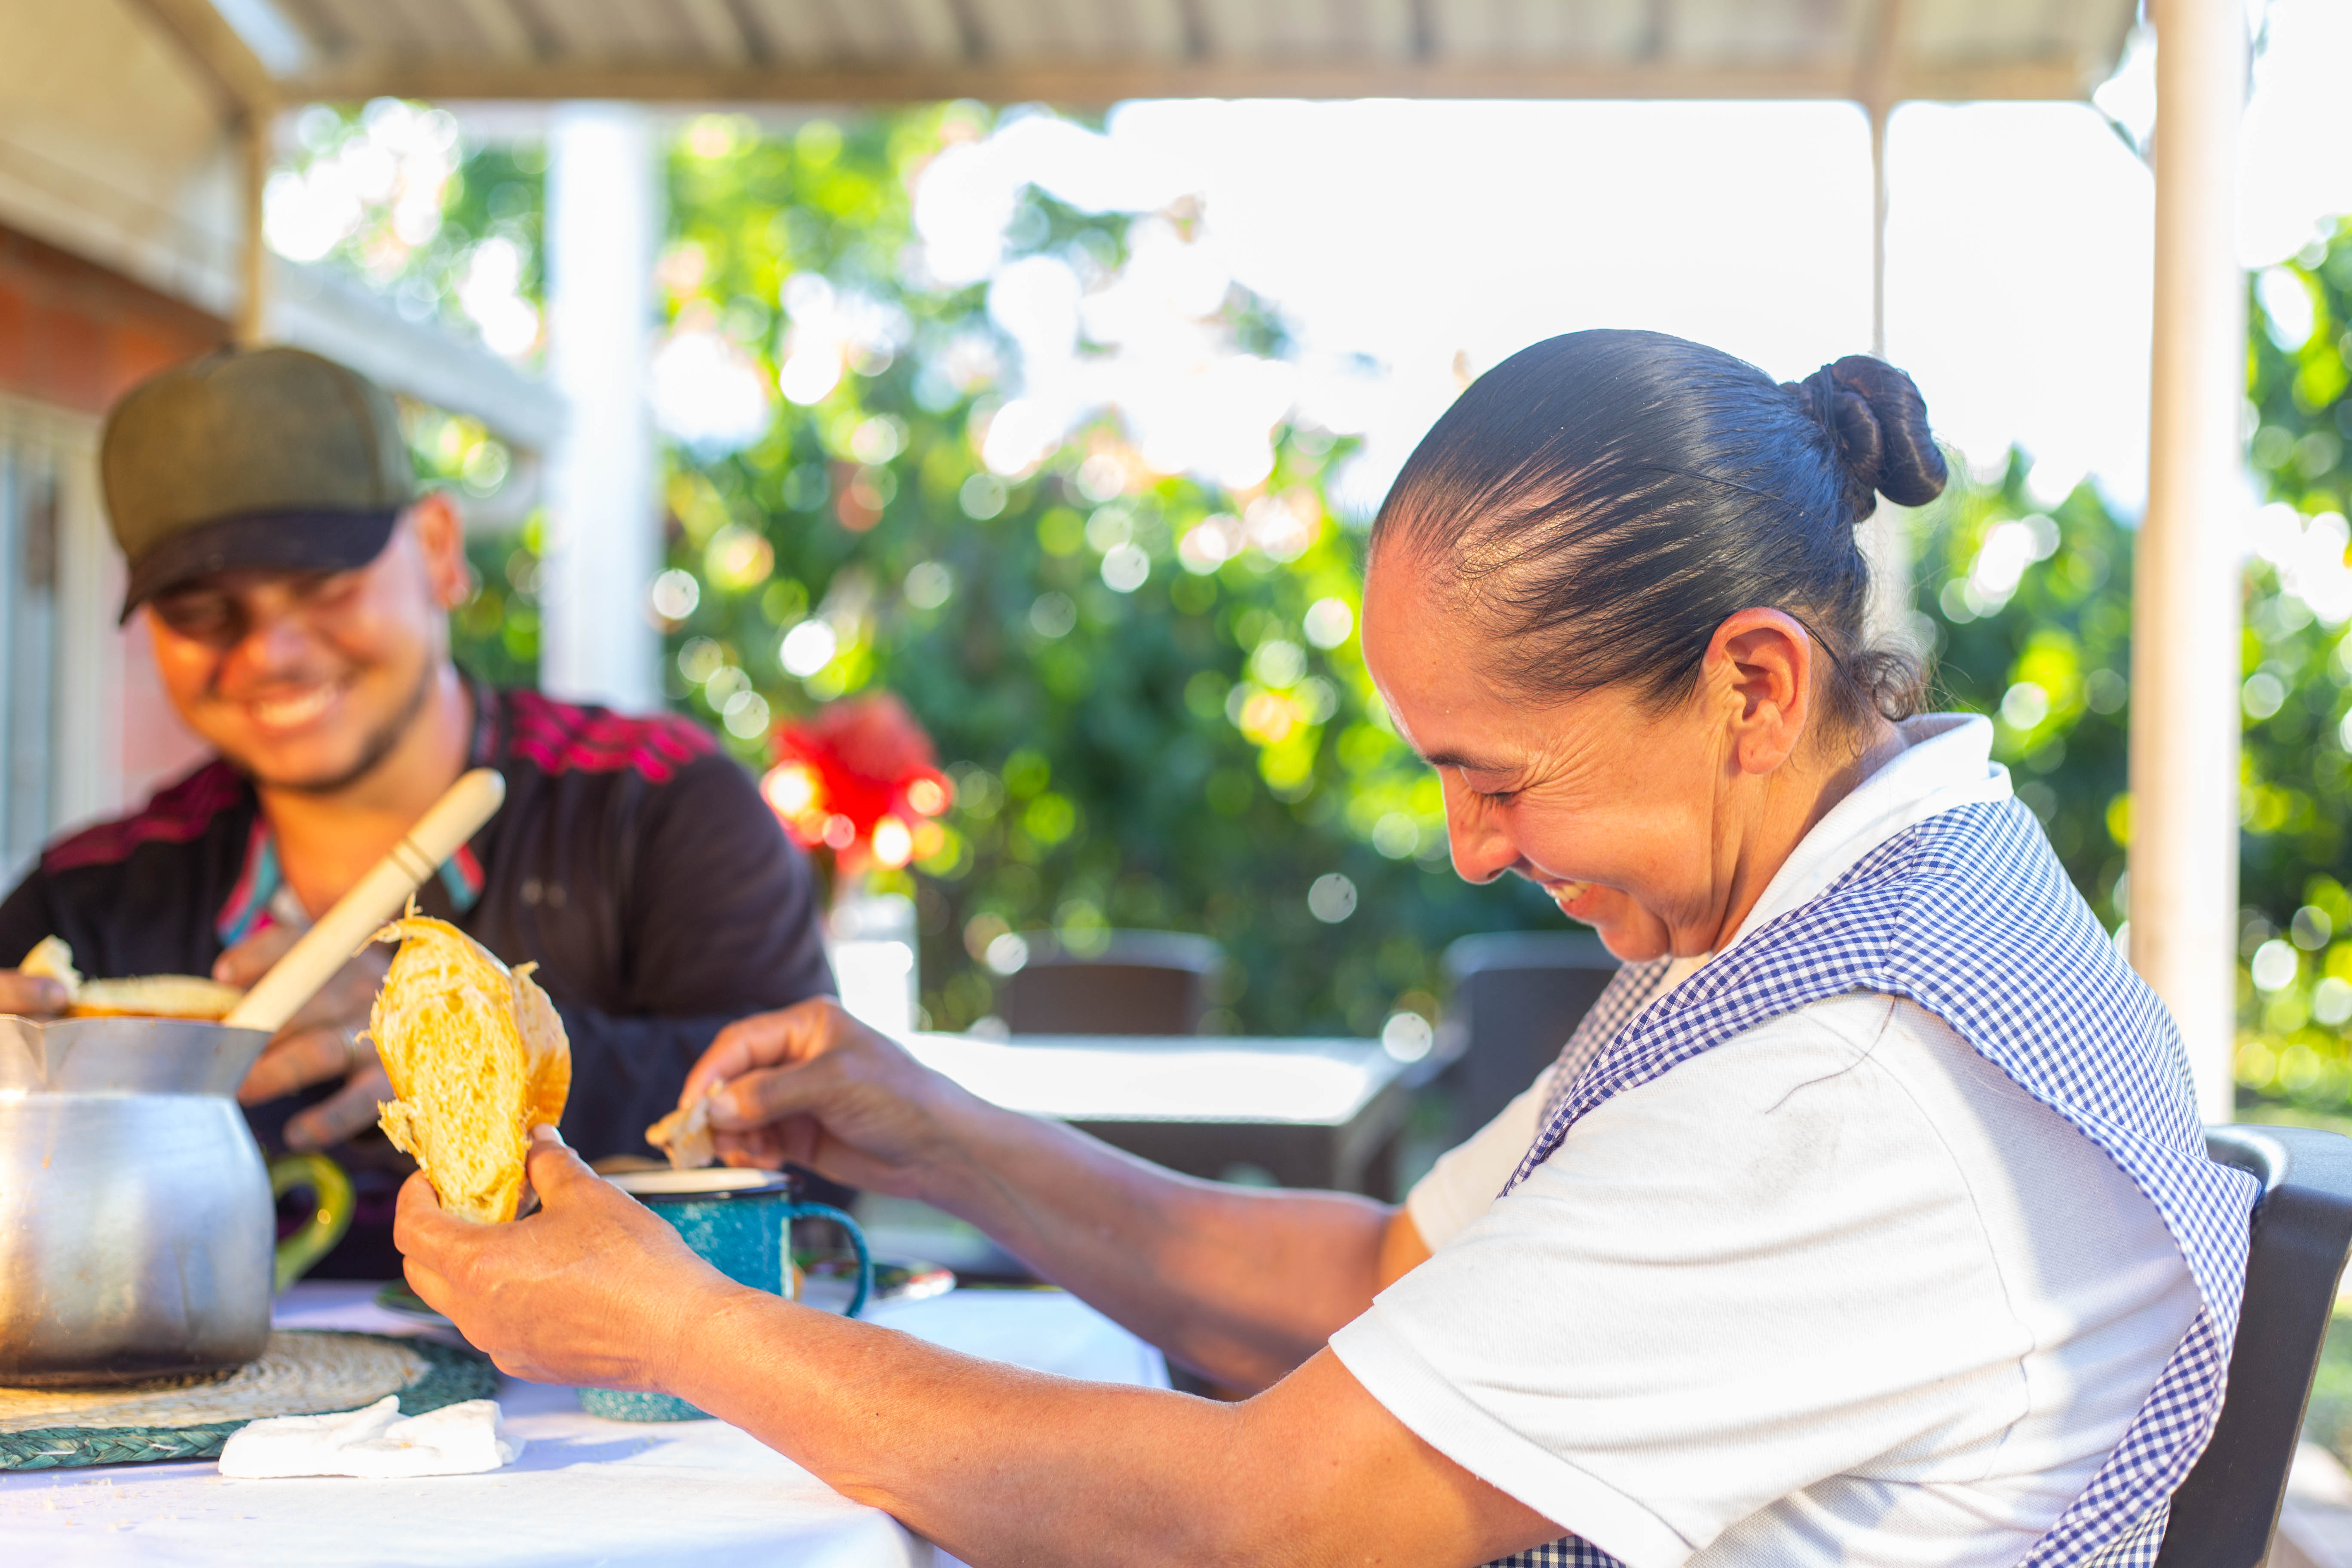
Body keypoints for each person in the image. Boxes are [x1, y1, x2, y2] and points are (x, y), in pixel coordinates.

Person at [396, 331, 2254, 1568]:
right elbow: (1380, 1270)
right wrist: (927, 1127)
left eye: (1498, 777)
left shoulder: (1856, 1083)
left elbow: (1249, 1512)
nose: (1473, 848)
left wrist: (661, 1319)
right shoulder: (1828, 924)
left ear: (1752, 685)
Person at [0, 346, 833, 1271]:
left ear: (439, 549)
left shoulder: (656, 804)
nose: (273, 652)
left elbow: (824, 1143)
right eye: (203, 612)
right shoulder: (86, 899)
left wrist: (460, 1054)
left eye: (323, 587)